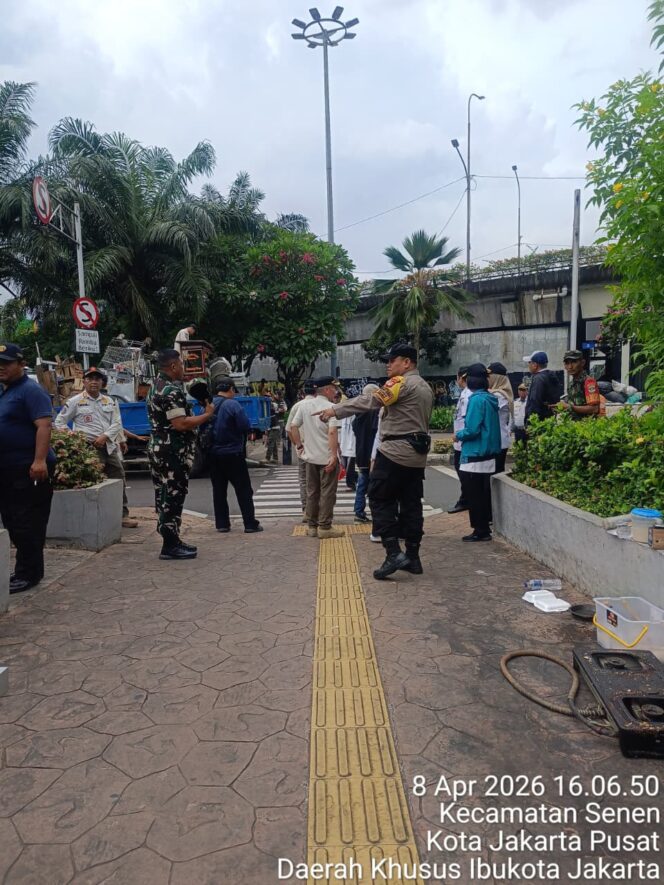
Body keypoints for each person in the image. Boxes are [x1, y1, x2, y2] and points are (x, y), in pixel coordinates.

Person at [315, 343, 434, 580]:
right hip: (416, 455)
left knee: (379, 497)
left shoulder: (401, 382)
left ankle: (393, 553)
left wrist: (335, 411)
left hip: (393, 452)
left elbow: (370, 401)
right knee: (411, 504)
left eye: (392, 360)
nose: (388, 365)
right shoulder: (425, 386)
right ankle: (413, 556)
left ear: (407, 363)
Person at [146, 349, 214, 560]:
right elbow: (181, 423)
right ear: (174, 366)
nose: (184, 369)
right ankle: (170, 544)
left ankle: (172, 538)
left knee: (163, 493)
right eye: (182, 365)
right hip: (171, 451)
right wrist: (207, 414)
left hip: (159, 448)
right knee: (173, 494)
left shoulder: (155, 387)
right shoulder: (170, 391)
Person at [0, 343, 55, 593]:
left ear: (22, 365)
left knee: (27, 522)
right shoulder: (6, 391)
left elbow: (44, 426)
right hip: (9, 469)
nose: (1, 368)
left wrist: (39, 460)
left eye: (6, 363)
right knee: (13, 520)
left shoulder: (30, 390)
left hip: (29, 468)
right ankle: (26, 569)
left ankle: (29, 574)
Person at [54, 366, 138, 528]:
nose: (94, 382)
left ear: (102, 382)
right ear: (84, 382)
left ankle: (122, 515)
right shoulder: (75, 401)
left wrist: (105, 436)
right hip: (87, 448)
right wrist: (74, 438)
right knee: (92, 481)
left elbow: (117, 423)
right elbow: (60, 422)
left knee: (118, 478)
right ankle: (93, 516)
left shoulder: (110, 401)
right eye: (90, 379)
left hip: (108, 446)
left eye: (97, 379)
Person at [290, 377, 342, 540]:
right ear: (326, 390)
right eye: (334, 388)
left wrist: (299, 445)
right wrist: (334, 456)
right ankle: (325, 527)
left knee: (312, 492)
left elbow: (293, 426)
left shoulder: (304, 405)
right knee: (327, 493)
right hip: (326, 458)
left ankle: (312, 527)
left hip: (309, 458)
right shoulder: (331, 407)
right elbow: (332, 432)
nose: (336, 391)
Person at [454, 363, 502, 542]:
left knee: (473, 495)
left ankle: (480, 530)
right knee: (482, 493)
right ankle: (483, 529)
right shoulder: (490, 398)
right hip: (488, 454)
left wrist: (458, 435)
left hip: (474, 453)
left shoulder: (476, 400)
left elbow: (472, 429)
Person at [209, 379, 263, 534]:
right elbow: (244, 426)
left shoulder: (208, 405)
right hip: (233, 453)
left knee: (219, 490)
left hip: (213, 454)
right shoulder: (232, 405)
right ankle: (250, 524)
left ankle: (222, 524)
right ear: (231, 389)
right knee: (243, 489)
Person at [286, 380, 317, 519]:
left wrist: (297, 446)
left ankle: (306, 511)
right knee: (319, 481)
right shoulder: (322, 405)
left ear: (303, 391)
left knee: (304, 480)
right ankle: (318, 510)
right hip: (319, 449)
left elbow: (289, 429)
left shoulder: (297, 406)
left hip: (303, 449)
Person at [352, 383, 379, 523]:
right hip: (373, 453)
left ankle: (359, 512)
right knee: (376, 485)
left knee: (362, 483)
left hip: (361, 452)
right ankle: (377, 513)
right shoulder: (375, 411)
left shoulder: (359, 413)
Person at [448, 366, 471, 514]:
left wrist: (459, 436)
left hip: (463, 441)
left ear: (460, 378)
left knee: (464, 473)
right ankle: (465, 498)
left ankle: (466, 500)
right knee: (461, 470)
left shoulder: (468, 395)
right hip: (460, 441)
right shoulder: (465, 393)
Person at [556, 350, 600, 419]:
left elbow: (594, 409)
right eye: (567, 363)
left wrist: (569, 407)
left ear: (582, 363)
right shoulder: (572, 383)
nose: (570, 367)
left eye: (574, 362)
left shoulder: (589, 382)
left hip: (586, 426)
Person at [487, 362, 513, 474]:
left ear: (496, 378)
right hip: (498, 439)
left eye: (489, 376)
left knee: (496, 473)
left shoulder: (500, 395)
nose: (487, 379)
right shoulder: (495, 393)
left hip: (498, 441)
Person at [524, 351, 560, 425]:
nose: (529, 365)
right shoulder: (550, 376)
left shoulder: (538, 379)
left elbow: (535, 402)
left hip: (538, 424)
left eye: (529, 362)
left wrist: (530, 423)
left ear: (535, 365)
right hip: (548, 420)